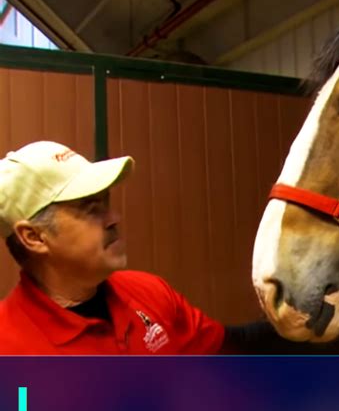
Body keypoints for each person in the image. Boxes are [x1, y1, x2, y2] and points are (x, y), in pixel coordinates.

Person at [0, 140, 308, 355]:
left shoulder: (147, 292)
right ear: (34, 237)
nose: (114, 218)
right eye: (90, 208)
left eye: (106, 203)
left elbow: (227, 347)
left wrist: (309, 315)